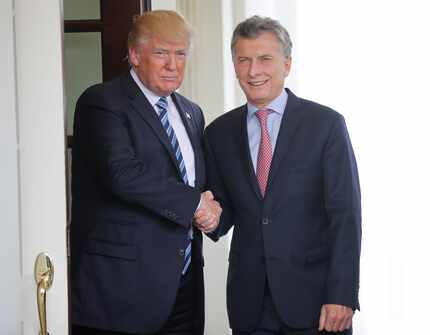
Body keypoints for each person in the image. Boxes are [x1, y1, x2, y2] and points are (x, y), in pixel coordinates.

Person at [201, 15, 361, 335]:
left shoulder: (325, 125)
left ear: (286, 64)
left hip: (317, 303)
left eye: (264, 59)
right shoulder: (218, 133)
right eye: (243, 60)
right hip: (250, 305)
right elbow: (224, 213)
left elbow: (346, 216)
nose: (253, 70)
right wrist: (206, 214)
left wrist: (342, 295)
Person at [70, 10, 221, 335]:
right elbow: (122, 174)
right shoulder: (102, 102)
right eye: (161, 53)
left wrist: (212, 207)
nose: (173, 64)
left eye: (180, 54)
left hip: (184, 288)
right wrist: (196, 204)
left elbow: (197, 182)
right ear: (135, 55)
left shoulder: (192, 113)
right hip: (120, 294)